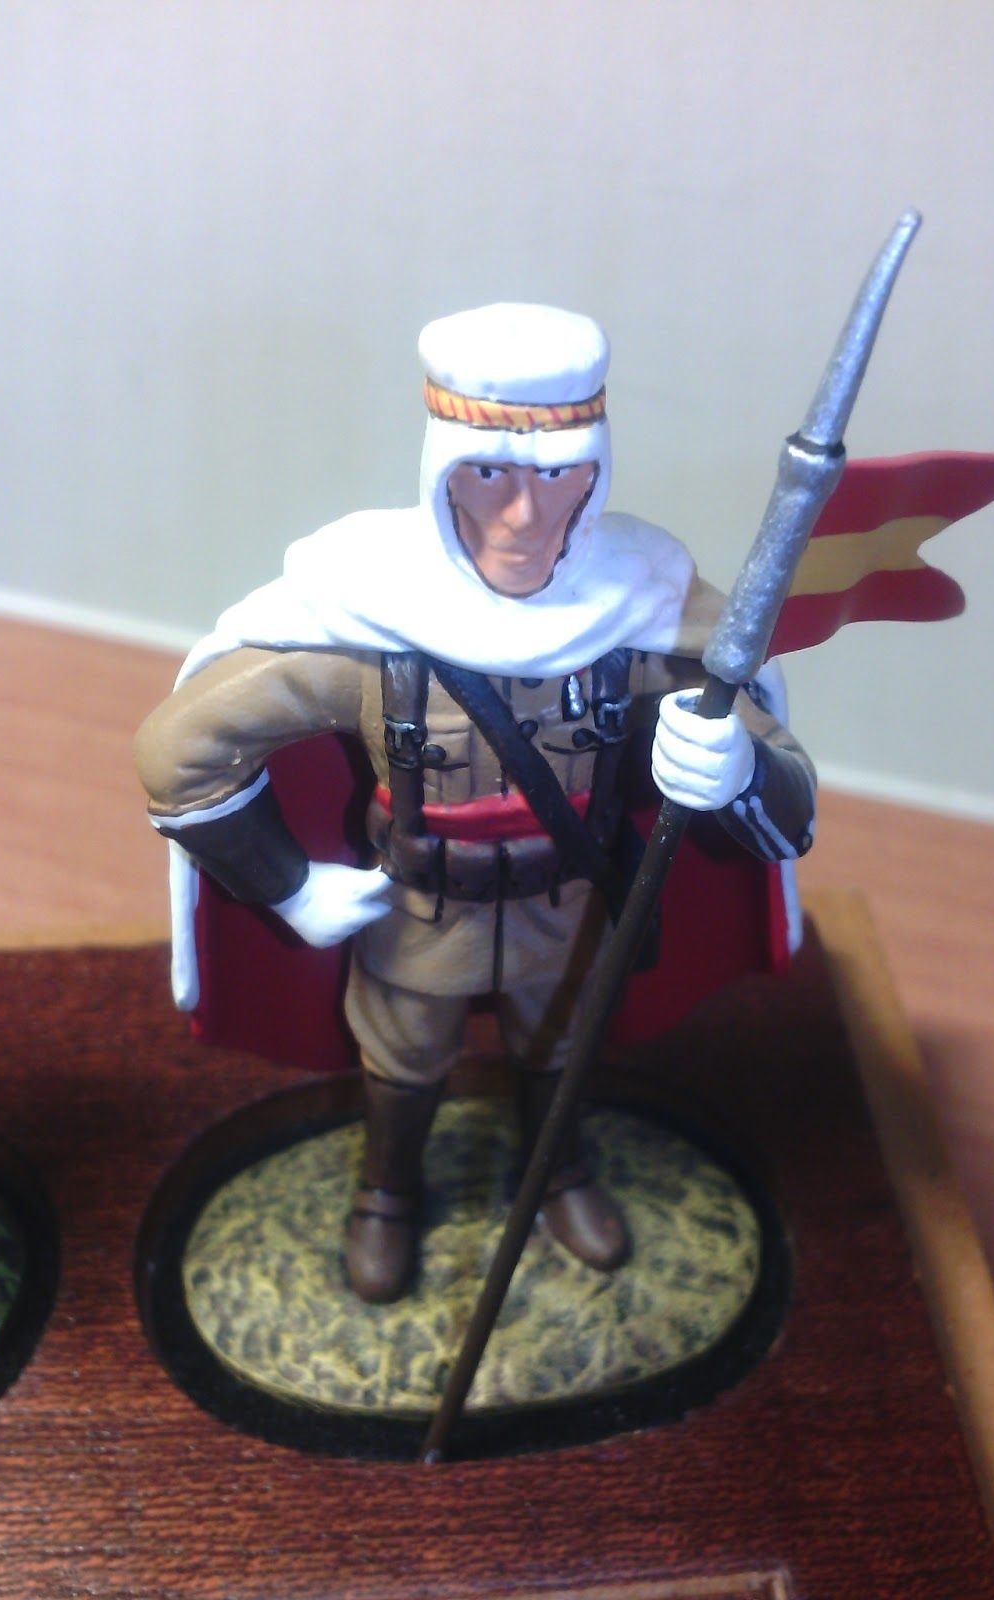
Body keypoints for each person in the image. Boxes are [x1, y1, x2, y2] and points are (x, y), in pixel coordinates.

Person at [135, 303, 816, 1303]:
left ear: (596, 472)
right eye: (490, 473)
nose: (525, 517)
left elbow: (786, 800)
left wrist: (733, 768)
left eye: (557, 475)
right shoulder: (369, 621)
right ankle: (387, 1192)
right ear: (442, 471)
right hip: (420, 907)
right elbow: (178, 750)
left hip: (571, 904)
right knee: (402, 1062)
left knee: (565, 1046)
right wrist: (287, 886)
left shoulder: (643, 611)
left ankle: (559, 1170)